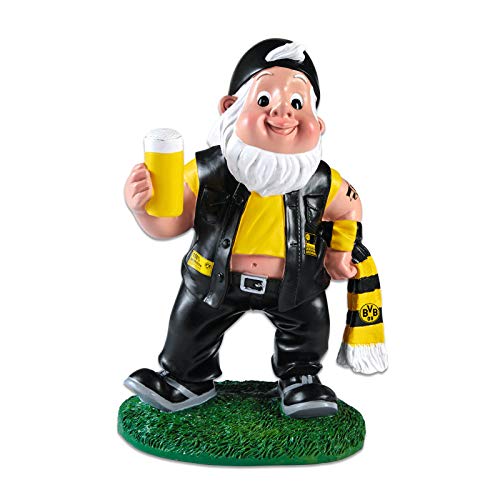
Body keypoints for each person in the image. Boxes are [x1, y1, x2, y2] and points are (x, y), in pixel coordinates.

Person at [123, 39, 386, 419]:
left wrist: (339, 252)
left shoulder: (322, 181)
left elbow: (350, 208)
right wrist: (143, 210)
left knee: (307, 330)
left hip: (295, 284)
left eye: (297, 104)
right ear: (230, 108)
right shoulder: (205, 171)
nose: (283, 114)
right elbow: (170, 223)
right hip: (214, 279)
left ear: (319, 124)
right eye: (264, 100)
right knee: (189, 326)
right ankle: (185, 378)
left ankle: (300, 379)